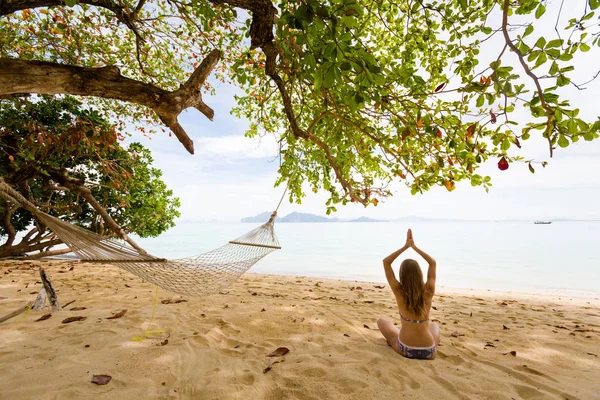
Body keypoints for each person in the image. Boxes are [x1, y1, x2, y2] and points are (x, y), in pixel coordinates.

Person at [377, 229, 440, 360]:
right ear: (420, 274)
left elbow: (386, 262)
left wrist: (405, 247)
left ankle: (402, 338)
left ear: (402, 275)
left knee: (381, 322)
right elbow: (432, 263)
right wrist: (415, 248)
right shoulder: (429, 290)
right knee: (434, 326)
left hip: (406, 348)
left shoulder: (399, 291)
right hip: (429, 351)